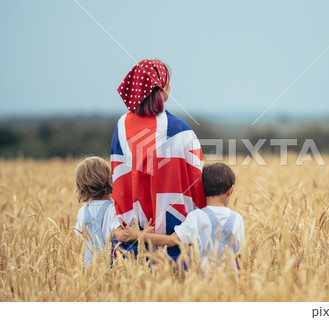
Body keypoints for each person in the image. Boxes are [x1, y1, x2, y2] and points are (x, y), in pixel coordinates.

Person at [110, 59, 206, 261]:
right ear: (164, 88)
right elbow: (198, 186)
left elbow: (118, 183)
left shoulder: (120, 127)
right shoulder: (183, 131)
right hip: (175, 248)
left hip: (129, 248)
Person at [141, 163, 245, 270]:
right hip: (231, 283)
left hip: (201, 284)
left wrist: (137, 235)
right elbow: (239, 258)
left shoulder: (197, 216)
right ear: (230, 190)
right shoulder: (237, 219)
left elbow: (171, 240)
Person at [74, 156, 140, 270]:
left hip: (86, 270)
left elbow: (79, 241)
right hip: (108, 270)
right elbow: (120, 235)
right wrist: (142, 233)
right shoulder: (112, 209)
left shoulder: (82, 212)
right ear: (110, 179)